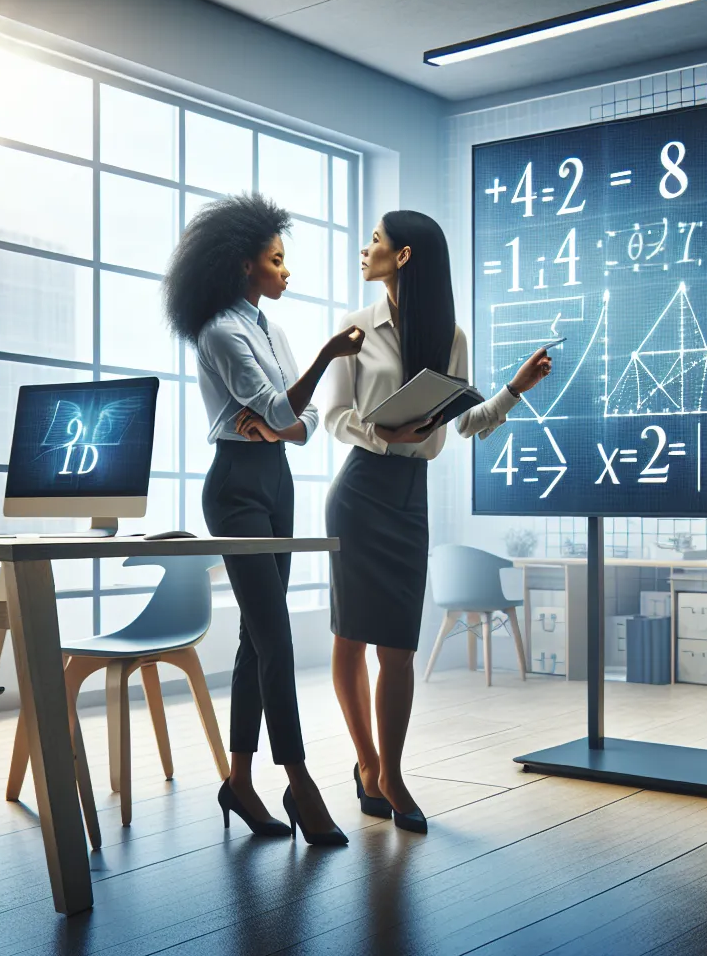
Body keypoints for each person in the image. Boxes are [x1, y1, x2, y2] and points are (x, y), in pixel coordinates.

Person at [316, 210, 551, 833]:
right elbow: (333, 415)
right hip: (359, 491)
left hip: (409, 499)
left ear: (405, 256)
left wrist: (515, 389)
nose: (366, 248)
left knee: (398, 647)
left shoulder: (449, 336)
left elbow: (465, 422)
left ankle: (389, 771)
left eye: (376, 241)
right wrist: (382, 433)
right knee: (350, 637)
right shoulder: (354, 329)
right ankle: (372, 768)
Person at [164, 192, 365, 845]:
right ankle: (299, 782)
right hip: (236, 488)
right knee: (275, 636)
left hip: (277, 482)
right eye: (276, 260)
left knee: (256, 638)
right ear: (243, 264)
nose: (286, 271)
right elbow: (285, 411)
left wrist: (282, 424)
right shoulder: (220, 330)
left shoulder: (272, 330)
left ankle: (239, 779)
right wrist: (326, 358)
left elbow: (302, 425)